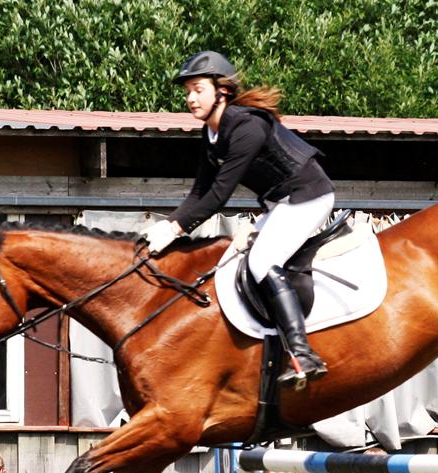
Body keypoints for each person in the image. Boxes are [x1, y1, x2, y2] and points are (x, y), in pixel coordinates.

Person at [140, 50, 335, 388]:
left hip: (308, 197)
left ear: (222, 91)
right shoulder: (211, 135)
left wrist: (175, 228)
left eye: (198, 89)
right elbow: (199, 191)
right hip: (281, 205)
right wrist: (168, 222)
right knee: (234, 260)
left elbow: (219, 195)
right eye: (187, 91)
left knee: (261, 261)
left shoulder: (246, 126)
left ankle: (303, 354)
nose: (190, 98)